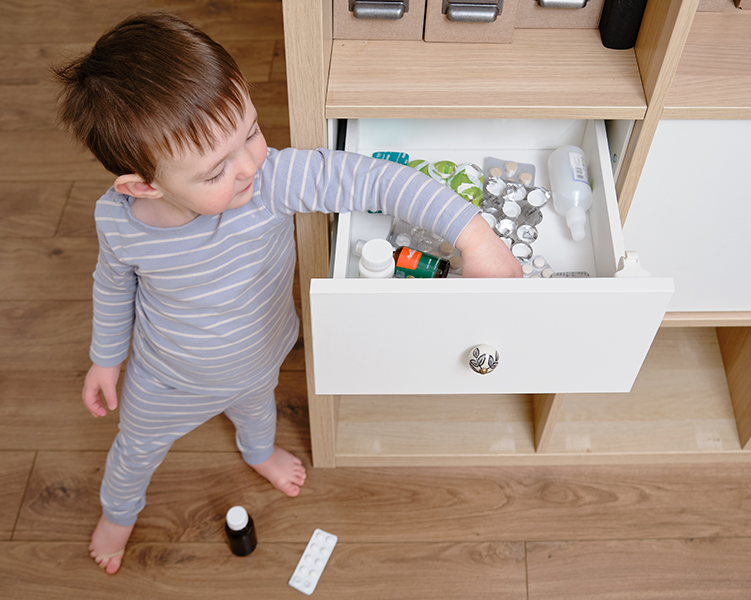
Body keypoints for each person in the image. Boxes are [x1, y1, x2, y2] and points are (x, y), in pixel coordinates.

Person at [52, 11, 521, 575]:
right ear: (142, 185)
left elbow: (373, 179)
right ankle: (118, 516)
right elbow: (112, 282)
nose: (250, 165)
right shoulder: (119, 219)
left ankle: (258, 454)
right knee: (134, 452)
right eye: (214, 171)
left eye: (250, 130)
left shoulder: (273, 180)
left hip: (261, 353)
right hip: (165, 376)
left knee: (259, 411)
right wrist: (106, 357)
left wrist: (476, 235)